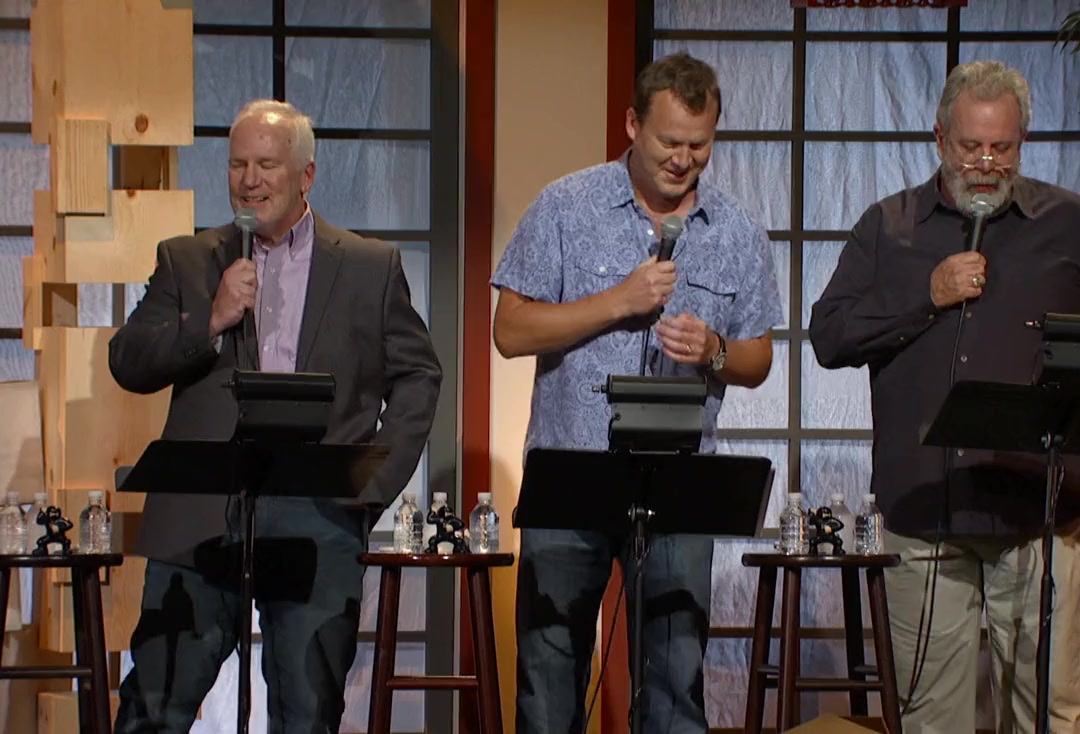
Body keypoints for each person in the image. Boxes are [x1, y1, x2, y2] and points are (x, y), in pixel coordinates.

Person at [809, 61, 1080, 734]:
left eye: (1002, 147)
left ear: (1023, 141)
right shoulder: (889, 228)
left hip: (1041, 510)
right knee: (930, 719)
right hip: (923, 514)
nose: (987, 164)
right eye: (971, 147)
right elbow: (829, 336)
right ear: (940, 138)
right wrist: (926, 296)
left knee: (1048, 714)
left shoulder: (1073, 224)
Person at [109, 99, 442, 733]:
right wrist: (210, 320)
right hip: (203, 513)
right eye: (238, 165)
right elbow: (127, 360)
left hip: (318, 515)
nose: (250, 180)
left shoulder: (369, 267)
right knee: (153, 705)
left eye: (267, 165)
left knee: (307, 713)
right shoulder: (187, 259)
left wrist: (367, 486)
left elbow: (419, 375)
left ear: (306, 175)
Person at [491, 52, 783, 733]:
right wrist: (617, 302)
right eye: (669, 142)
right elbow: (510, 330)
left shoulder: (737, 231)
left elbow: (758, 358)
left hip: (681, 483)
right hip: (571, 473)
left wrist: (714, 350)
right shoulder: (565, 207)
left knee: (675, 686)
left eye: (699, 146)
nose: (683, 160)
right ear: (632, 124)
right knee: (549, 684)